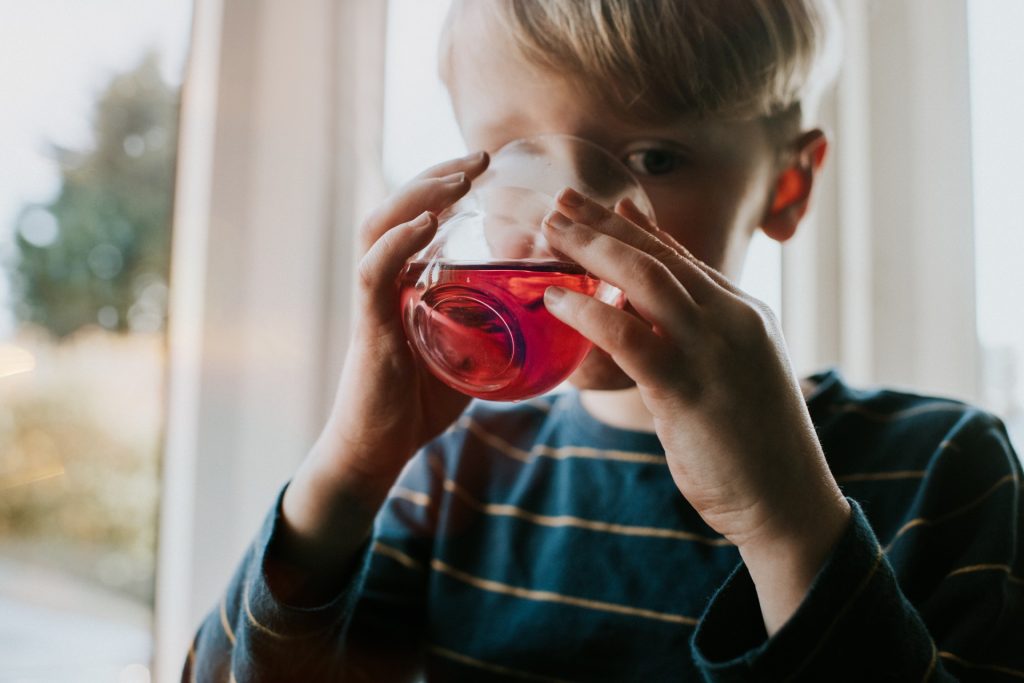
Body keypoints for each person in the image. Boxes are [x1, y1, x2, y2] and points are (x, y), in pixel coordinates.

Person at [185, 1, 1024, 680]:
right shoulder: (454, 478)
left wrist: (787, 526)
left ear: (788, 187)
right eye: (514, 157)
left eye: (654, 159)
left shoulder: (944, 465)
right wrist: (352, 463)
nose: (561, 216)